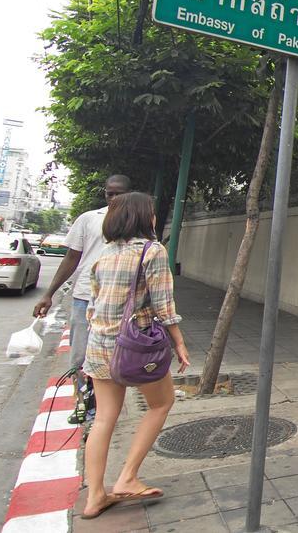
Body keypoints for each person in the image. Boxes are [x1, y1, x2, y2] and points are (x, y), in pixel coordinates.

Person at [79, 191, 189, 520]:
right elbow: (163, 305)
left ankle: (95, 495)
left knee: (103, 419)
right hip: (134, 346)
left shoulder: (104, 255)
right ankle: (127, 476)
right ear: (144, 217)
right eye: (152, 212)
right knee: (162, 402)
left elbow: (93, 306)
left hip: (99, 345)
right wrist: (179, 342)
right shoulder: (152, 251)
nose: (155, 217)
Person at [32, 175, 132, 384]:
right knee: (80, 354)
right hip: (85, 296)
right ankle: (83, 400)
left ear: (129, 194)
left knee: (115, 356)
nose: (113, 198)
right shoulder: (89, 219)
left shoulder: (137, 222)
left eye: (118, 194)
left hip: (121, 299)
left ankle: (104, 404)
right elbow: (71, 258)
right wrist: (49, 294)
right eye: (109, 193)